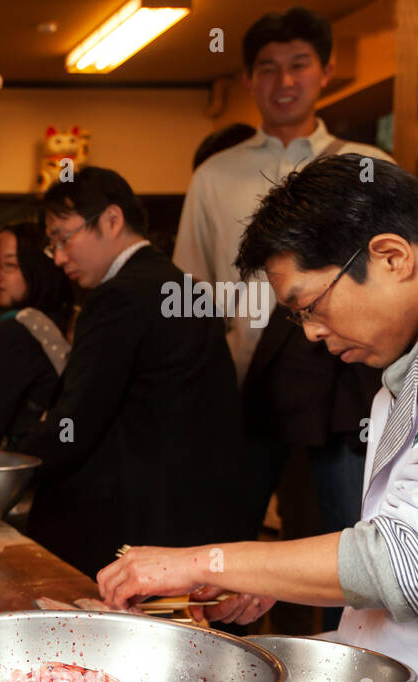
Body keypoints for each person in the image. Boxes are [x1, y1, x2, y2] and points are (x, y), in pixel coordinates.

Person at [100, 154, 418, 682]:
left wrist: (205, 562)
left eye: (310, 305)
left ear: (390, 256)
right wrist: (272, 581)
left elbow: (402, 561)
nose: (308, 334)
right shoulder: (389, 387)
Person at [173, 7, 394, 631]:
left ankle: (341, 678)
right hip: (246, 393)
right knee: (230, 548)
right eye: (268, 68)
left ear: (326, 71)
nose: (285, 81)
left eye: (300, 64)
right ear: (248, 80)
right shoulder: (215, 176)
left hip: (354, 388)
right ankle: (221, 673)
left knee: (348, 534)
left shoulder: (366, 163)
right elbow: (195, 298)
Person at [14, 167, 246, 578]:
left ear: (111, 219)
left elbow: (78, 421)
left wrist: (11, 468)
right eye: (53, 247)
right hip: (196, 515)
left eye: (64, 238)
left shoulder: (118, 296)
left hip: (133, 524)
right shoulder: (186, 287)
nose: (61, 257)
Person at [0, 220, 75, 450]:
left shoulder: (14, 328)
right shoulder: (59, 321)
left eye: (9, 266)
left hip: (25, 465)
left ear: (35, 269)